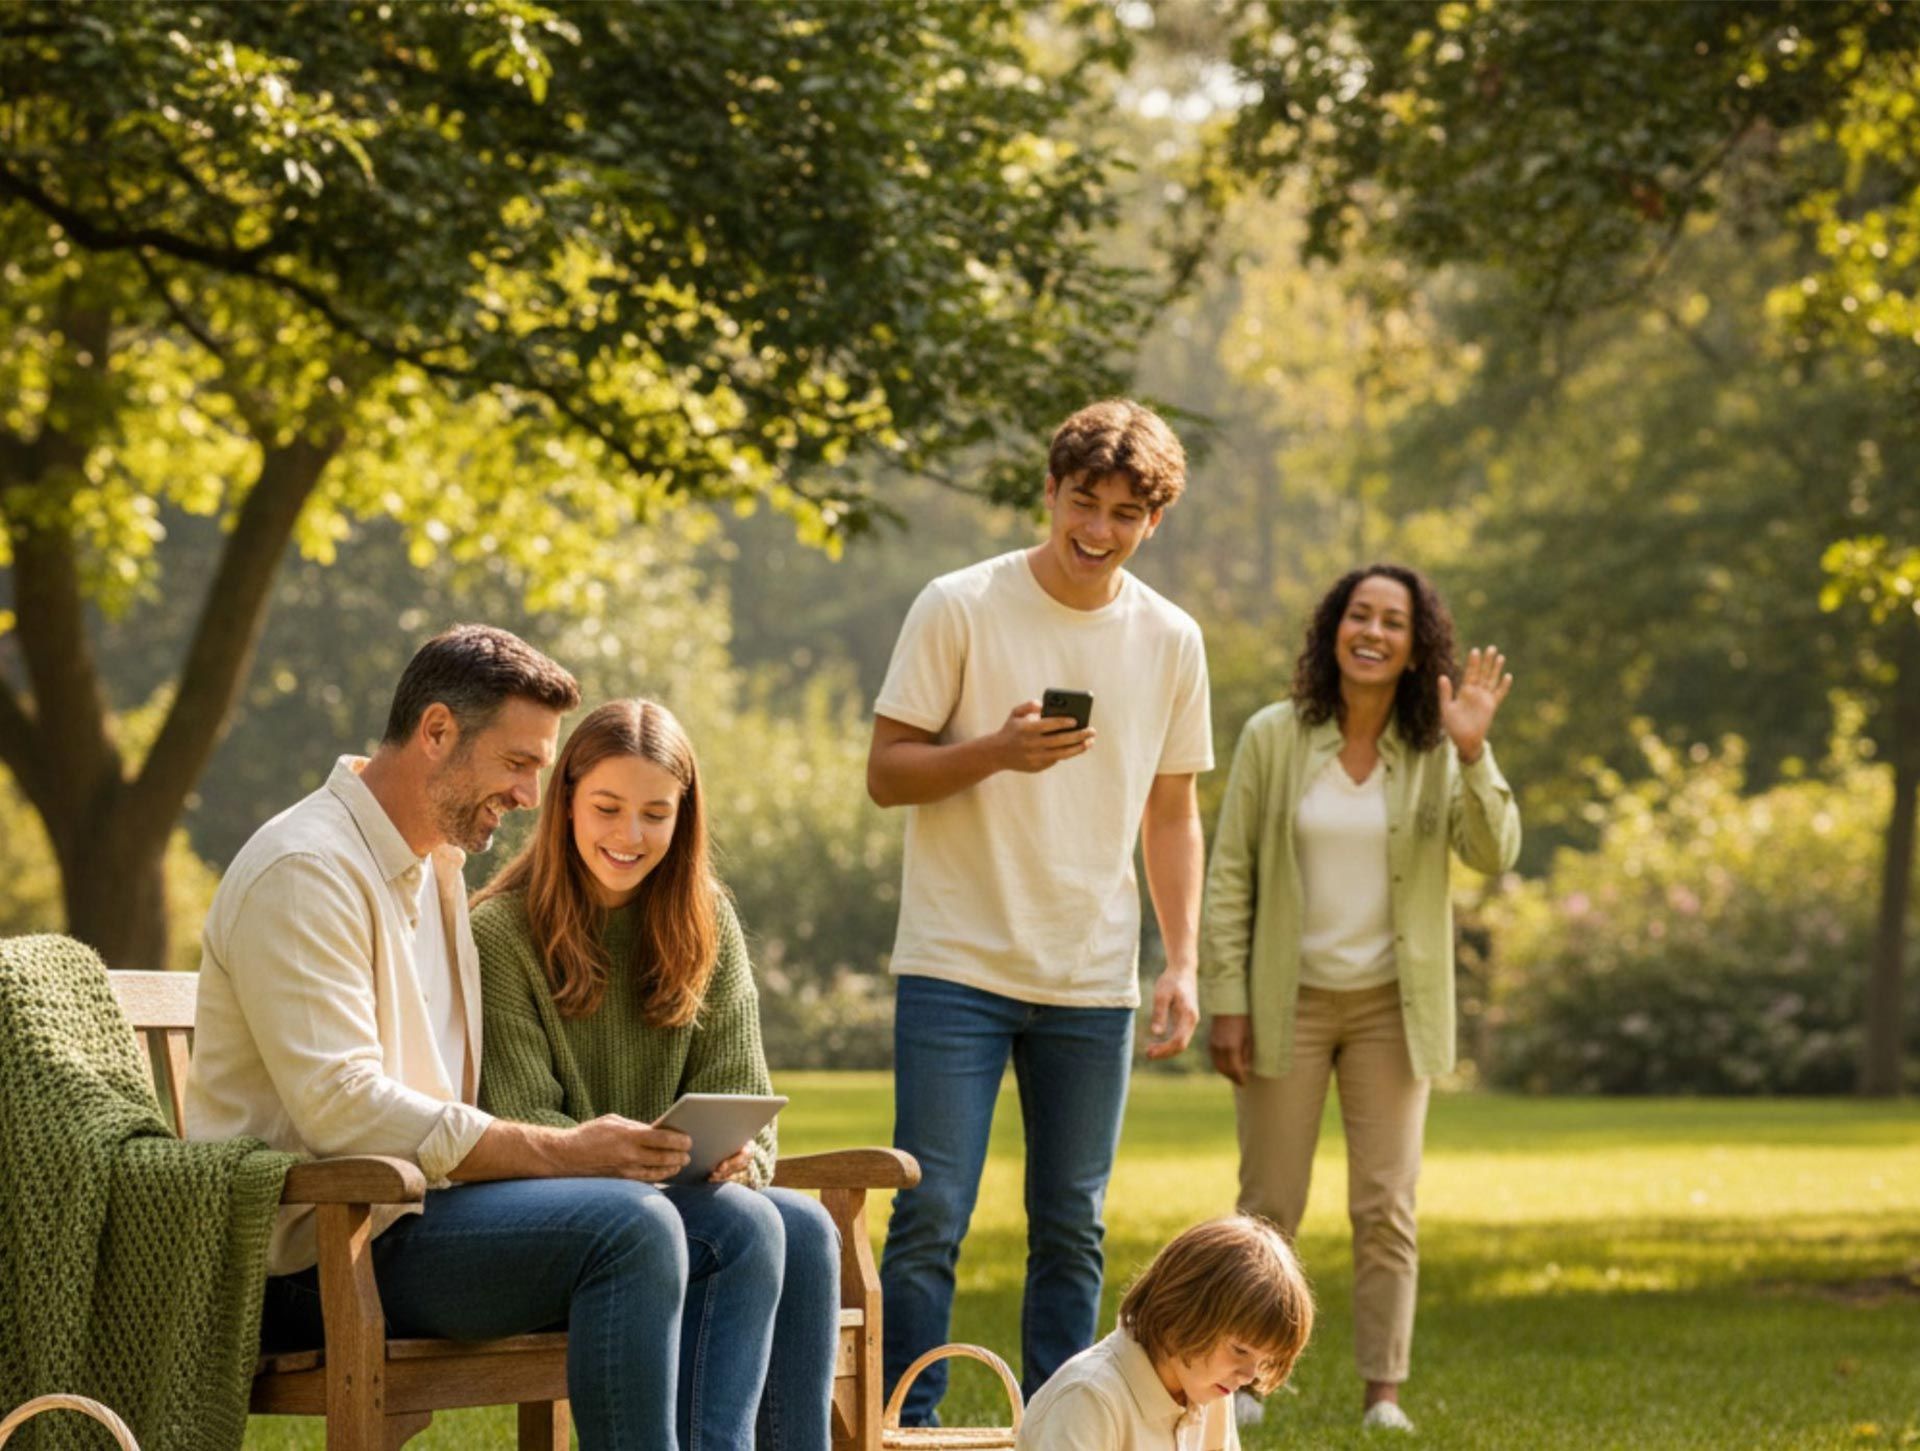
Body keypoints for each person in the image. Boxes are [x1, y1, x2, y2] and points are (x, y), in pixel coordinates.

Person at [186, 625, 765, 1450]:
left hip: (420, 1219)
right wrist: (568, 1152)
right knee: (631, 1225)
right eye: (519, 763)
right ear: (436, 732)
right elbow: (341, 1110)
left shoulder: (436, 867)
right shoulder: (305, 870)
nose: (534, 795)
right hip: (320, 1251)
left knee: (746, 1224)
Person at [868, 399, 1215, 1425]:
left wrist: (1182, 958)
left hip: (1090, 976)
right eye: (1082, 501)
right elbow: (888, 771)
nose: (1098, 529)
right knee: (930, 1211)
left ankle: (1063, 1430)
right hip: (955, 966)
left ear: (1152, 520)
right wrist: (994, 751)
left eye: (1123, 512)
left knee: (1072, 1224)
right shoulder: (960, 603)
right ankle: (909, 1421)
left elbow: (1173, 810)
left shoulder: (1169, 637)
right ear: (1050, 490)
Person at [1198, 565, 1520, 1433]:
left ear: (1418, 647)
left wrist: (1473, 750)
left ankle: (1384, 1392)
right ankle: (1246, 1380)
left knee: (1386, 1205)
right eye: (1359, 615)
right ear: (1334, 629)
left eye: (1393, 621)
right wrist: (1225, 997)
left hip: (1392, 1008)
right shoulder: (1274, 734)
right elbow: (1229, 875)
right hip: (1285, 999)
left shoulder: (1434, 749)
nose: (1373, 631)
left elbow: (1494, 851)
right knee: (1266, 1204)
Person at [472, 697, 840, 1451]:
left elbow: (744, 1095)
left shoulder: (707, 921)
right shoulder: (500, 932)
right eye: (607, 806)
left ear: (684, 816)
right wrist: (619, 1155)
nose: (629, 836)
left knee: (806, 1226)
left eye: (655, 813)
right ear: (566, 797)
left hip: (675, 1200)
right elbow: (520, 1119)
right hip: (558, 1218)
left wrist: (740, 1158)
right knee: (743, 1224)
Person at [1016, 1216, 1314, 1451]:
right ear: (1183, 1314)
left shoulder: (1209, 1389)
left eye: (1263, 1360)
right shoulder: (1089, 1399)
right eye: (1240, 1350)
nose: (1249, 1376)